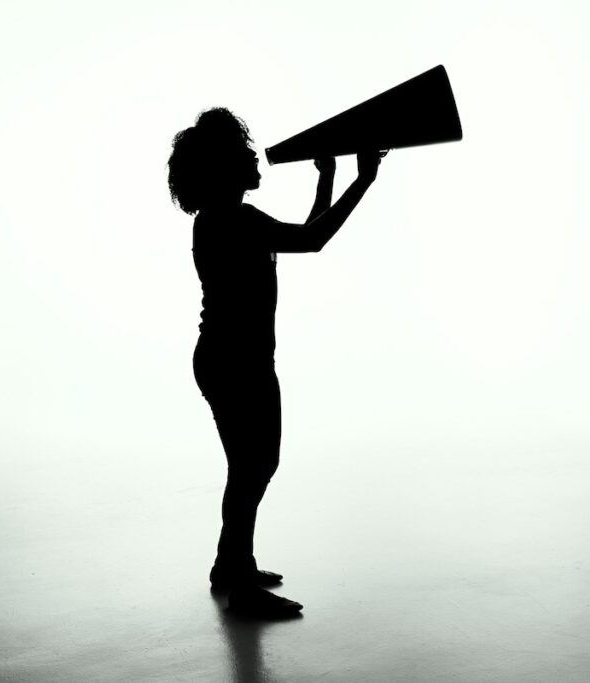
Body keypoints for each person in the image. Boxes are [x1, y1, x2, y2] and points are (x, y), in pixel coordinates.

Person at [167, 107, 382, 618]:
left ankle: (230, 565)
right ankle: (239, 584)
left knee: (249, 467)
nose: (255, 158)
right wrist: (363, 180)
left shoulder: (224, 220)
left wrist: (328, 177)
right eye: (245, 154)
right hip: (237, 363)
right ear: (225, 170)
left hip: (227, 360)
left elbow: (305, 231)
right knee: (253, 467)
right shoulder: (233, 220)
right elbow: (313, 240)